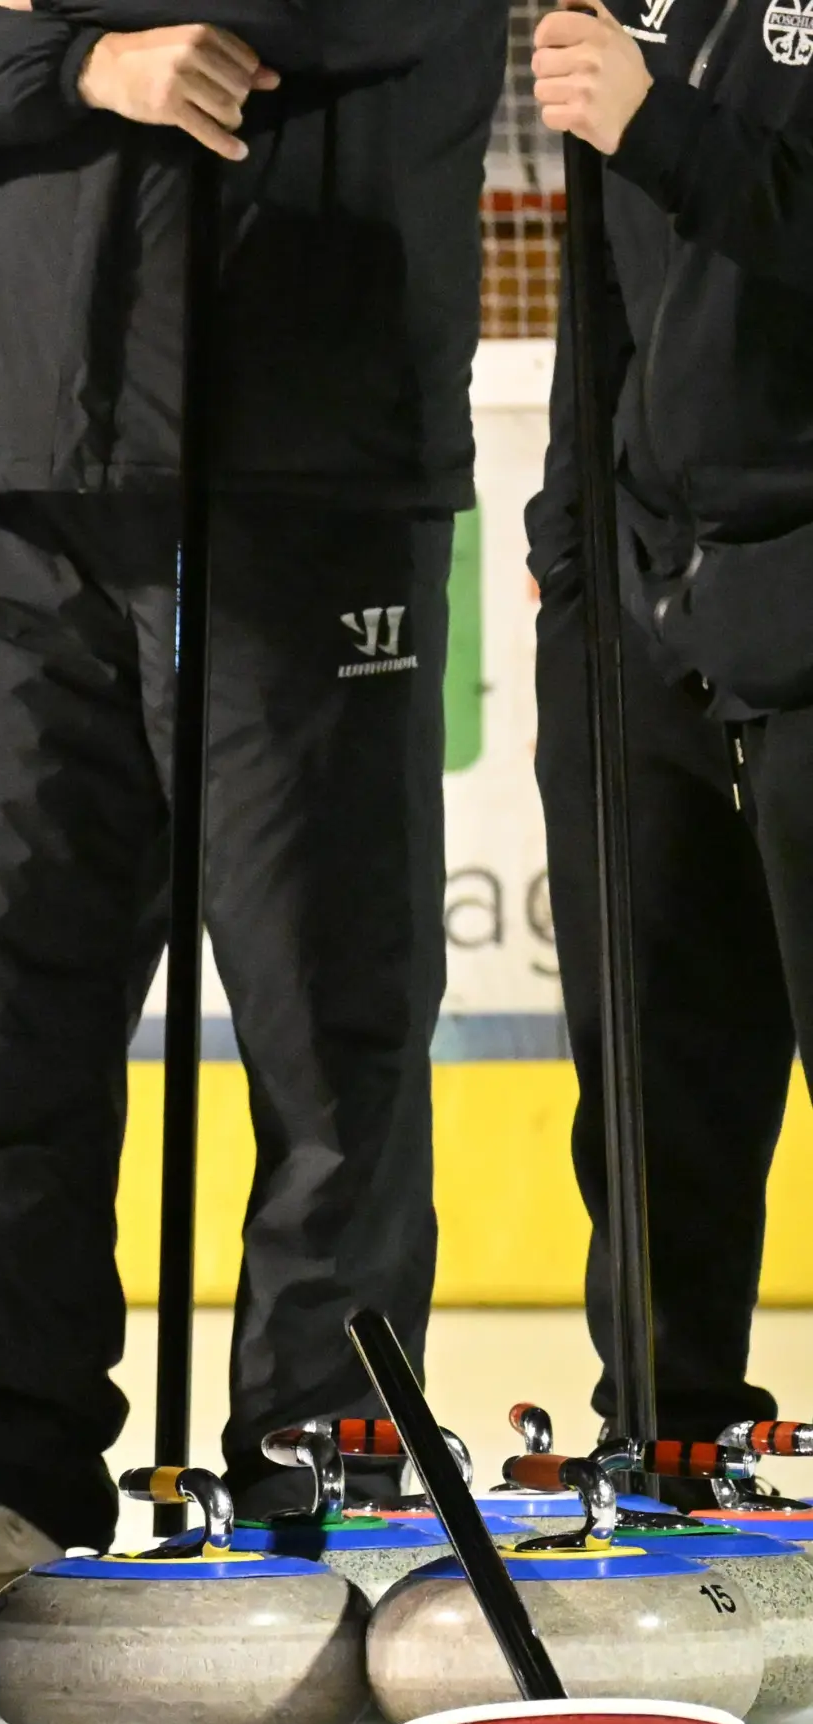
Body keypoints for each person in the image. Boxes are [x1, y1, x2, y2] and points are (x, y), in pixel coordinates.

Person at [0, 0, 506, 1599]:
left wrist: (29, 24)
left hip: (304, 467)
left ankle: (318, 1455)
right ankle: (8, 1468)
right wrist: (86, 62)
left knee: (325, 1003)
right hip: (28, 478)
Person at [525, 0, 813, 1459]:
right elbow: (607, 298)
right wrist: (570, 550)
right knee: (649, 1075)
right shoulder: (630, 6)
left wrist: (662, 127)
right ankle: (663, 1434)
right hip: (639, 614)